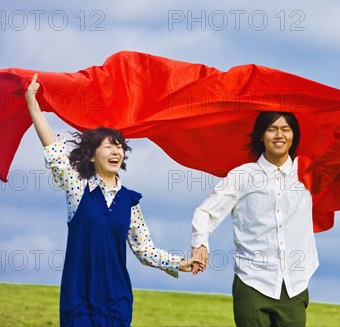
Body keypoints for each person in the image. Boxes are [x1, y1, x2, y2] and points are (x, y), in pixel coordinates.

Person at [25, 74, 204, 327]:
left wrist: (180, 263)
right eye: (108, 146)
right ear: (91, 156)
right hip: (79, 300)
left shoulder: (130, 201)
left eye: (119, 146)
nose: (116, 151)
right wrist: (32, 102)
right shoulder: (77, 187)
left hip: (116, 302)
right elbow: (54, 151)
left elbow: (145, 250)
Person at [190, 111, 318, 327]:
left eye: (286, 129)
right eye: (272, 129)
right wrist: (199, 242)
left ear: (294, 135)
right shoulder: (242, 176)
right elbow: (206, 211)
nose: (279, 135)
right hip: (252, 282)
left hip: (294, 284)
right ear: (261, 135)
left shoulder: (307, 173)